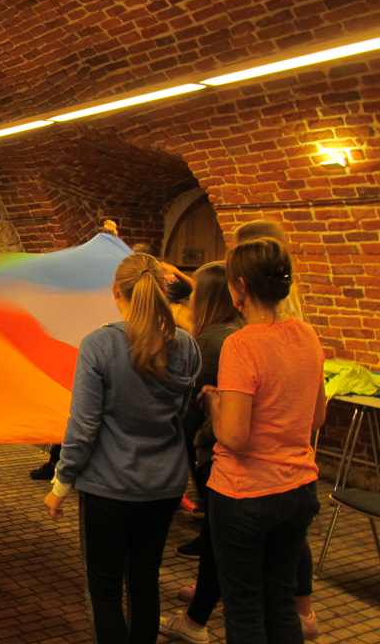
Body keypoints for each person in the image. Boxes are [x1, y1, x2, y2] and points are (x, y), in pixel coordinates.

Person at [43, 252, 201, 644]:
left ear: (116, 291)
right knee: (145, 582)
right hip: (164, 486)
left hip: (108, 489)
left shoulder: (100, 345)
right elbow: (181, 412)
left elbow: (83, 426)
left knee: (105, 591)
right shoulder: (186, 346)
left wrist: (61, 484)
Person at [200, 236, 325, 644]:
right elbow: (317, 417)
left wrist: (214, 404)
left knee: (245, 611)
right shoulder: (307, 334)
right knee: (281, 604)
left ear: (240, 286)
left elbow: (234, 437)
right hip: (299, 489)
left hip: (245, 494)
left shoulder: (242, 344)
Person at [159, 262, 242, 644]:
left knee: (217, 535)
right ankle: (211, 589)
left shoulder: (208, 341)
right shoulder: (236, 332)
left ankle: (198, 616)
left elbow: (192, 407)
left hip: (214, 448)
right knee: (217, 531)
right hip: (227, 452)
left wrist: (178, 450)